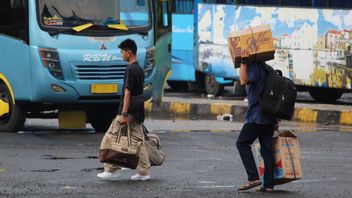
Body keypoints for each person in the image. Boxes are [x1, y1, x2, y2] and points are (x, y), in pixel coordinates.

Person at [97, 39, 151, 181]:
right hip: (138, 109)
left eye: (122, 52)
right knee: (139, 141)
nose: (121, 55)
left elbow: (127, 93)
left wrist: (124, 114)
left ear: (129, 52)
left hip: (129, 110)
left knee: (111, 135)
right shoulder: (139, 68)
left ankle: (111, 169)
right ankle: (144, 172)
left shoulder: (129, 69)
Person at [236, 59, 278, 192]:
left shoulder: (254, 67)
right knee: (266, 150)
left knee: (242, 143)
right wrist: (276, 119)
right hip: (269, 116)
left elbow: (243, 81)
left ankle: (253, 177)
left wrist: (243, 63)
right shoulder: (268, 68)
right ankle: (269, 185)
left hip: (257, 116)